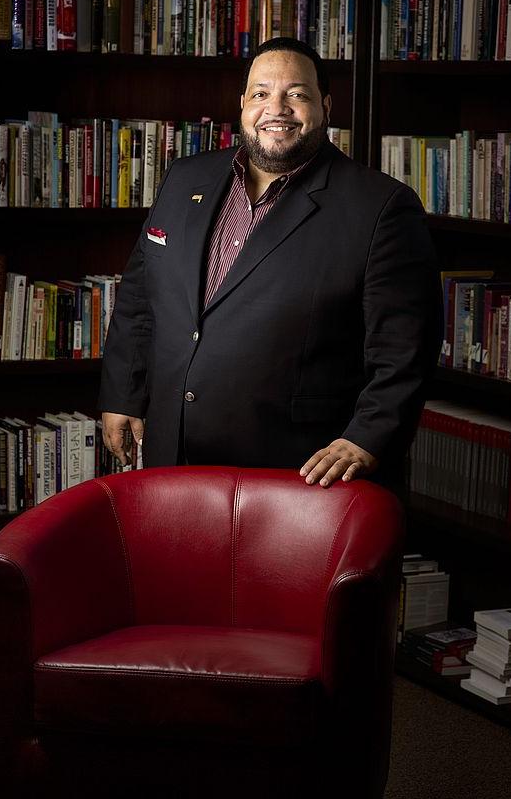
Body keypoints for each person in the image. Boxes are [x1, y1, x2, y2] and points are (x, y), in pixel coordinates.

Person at [99, 37, 442, 495]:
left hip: (296, 468)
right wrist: (124, 392)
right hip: (175, 452)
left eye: (296, 94)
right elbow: (142, 296)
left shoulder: (380, 207)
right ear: (242, 104)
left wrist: (368, 437)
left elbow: (406, 348)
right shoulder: (185, 178)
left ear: (325, 105)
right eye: (261, 93)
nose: (276, 108)